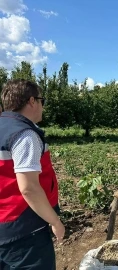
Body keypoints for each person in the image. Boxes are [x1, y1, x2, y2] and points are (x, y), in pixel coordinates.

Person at [0, 79, 65, 269]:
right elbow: (29, 188)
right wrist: (55, 221)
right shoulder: (24, 135)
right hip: (25, 232)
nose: (42, 107)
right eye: (41, 101)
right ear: (31, 101)